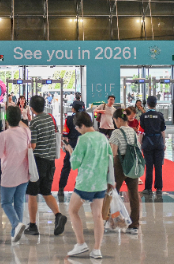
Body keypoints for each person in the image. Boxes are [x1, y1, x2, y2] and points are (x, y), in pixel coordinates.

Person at [63, 111, 114, 259]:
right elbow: (110, 158)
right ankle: (97, 249)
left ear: (82, 125)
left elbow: (75, 164)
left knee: (72, 210)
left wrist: (70, 151)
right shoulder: (103, 137)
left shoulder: (83, 139)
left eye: (77, 127)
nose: (77, 130)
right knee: (97, 215)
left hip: (85, 183)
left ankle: (81, 243)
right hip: (100, 183)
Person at [0, 105, 30, 244]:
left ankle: (16, 225)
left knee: (5, 202)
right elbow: (25, 126)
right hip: (24, 174)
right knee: (19, 203)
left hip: (9, 175)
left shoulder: (4, 135)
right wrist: (18, 117)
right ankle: (15, 235)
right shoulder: (26, 132)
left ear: (6, 119)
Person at [26, 95, 67, 236]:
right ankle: (58, 215)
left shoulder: (34, 122)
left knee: (32, 193)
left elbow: (33, 145)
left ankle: (32, 225)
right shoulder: (50, 118)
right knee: (46, 191)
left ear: (31, 108)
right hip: (50, 161)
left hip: (38, 162)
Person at [108, 109, 141, 234]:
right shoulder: (132, 131)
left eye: (114, 120)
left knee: (112, 192)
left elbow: (113, 152)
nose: (115, 123)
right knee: (134, 195)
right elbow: (138, 147)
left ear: (119, 119)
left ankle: (113, 221)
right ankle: (134, 225)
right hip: (132, 164)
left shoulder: (116, 132)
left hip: (120, 164)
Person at [139, 96, 166, 194]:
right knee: (158, 166)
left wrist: (141, 142)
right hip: (158, 142)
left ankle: (148, 188)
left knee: (149, 166)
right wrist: (164, 143)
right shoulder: (160, 115)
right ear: (156, 104)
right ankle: (159, 187)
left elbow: (141, 131)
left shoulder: (143, 116)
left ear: (147, 104)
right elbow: (163, 131)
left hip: (147, 142)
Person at [58, 101, 83, 195]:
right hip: (84, 144)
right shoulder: (86, 118)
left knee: (67, 166)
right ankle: (79, 187)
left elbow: (65, 134)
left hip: (72, 144)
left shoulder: (69, 119)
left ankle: (61, 187)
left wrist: (65, 144)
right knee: (82, 166)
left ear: (74, 109)